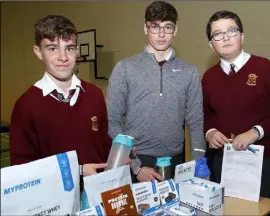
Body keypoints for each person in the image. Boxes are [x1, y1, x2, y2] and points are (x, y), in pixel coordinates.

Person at [202, 10, 270, 202]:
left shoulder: (265, 69)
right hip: (225, 161)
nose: (226, 37)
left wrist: (255, 132)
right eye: (218, 34)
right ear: (211, 44)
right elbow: (205, 114)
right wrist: (210, 131)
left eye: (232, 31)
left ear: (242, 36)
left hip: (264, 162)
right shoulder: (209, 77)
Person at [106, 1, 205, 182]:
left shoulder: (190, 72)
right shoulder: (125, 68)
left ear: (175, 30)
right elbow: (111, 122)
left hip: (175, 160)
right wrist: (136, 167)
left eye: (167, 27)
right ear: (145, 28)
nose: (161, 34)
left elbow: (196, 122)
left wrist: (199, 164)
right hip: (135, 161)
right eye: (155, 27)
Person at [9, 15, 117, 177]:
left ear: (77, 51)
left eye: (69, 48)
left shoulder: (94, 94)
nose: (63, 57)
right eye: (52, 48)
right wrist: (78, 171)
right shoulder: (26, 106)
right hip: (54, 199)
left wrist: (120, 153)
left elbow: (101, 141)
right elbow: (22, 170)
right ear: (38, 52)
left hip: (97, 192)